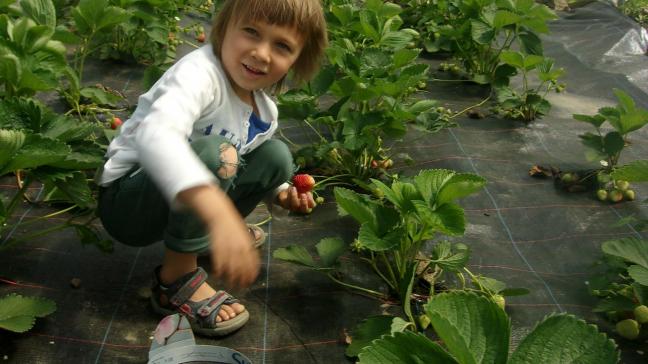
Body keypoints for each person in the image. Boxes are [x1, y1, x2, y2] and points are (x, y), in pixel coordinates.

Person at [96, 0, 327, 337]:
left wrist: (279, 194)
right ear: (224, 28)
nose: (262, 53)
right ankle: (174, 280)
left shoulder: (265, 111)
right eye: (251, 32)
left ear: (297, 60)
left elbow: (251, 161)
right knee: (217, 154)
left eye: (282, 46)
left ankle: (199, 237)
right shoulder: (198, 74)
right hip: (128, 203)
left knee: (276, 157)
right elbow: (155, 134)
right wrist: (218, 213)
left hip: (178, 200)